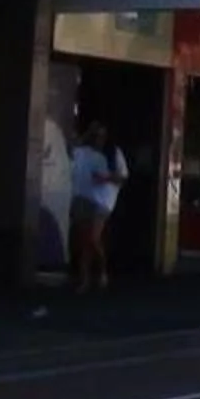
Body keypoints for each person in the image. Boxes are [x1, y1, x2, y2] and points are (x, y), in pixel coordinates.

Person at [67, 118, 128, 295]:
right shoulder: (84, 151)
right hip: (84, 196)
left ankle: (102, 271)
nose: (99, 138)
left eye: (102, 135)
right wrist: (86, 133)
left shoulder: (113, 153)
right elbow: (72, 148)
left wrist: (105, 178)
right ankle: (85, 279)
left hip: (103, 200)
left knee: (92, 237)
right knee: (84, 240)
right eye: (96, 134)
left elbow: (122, 178)